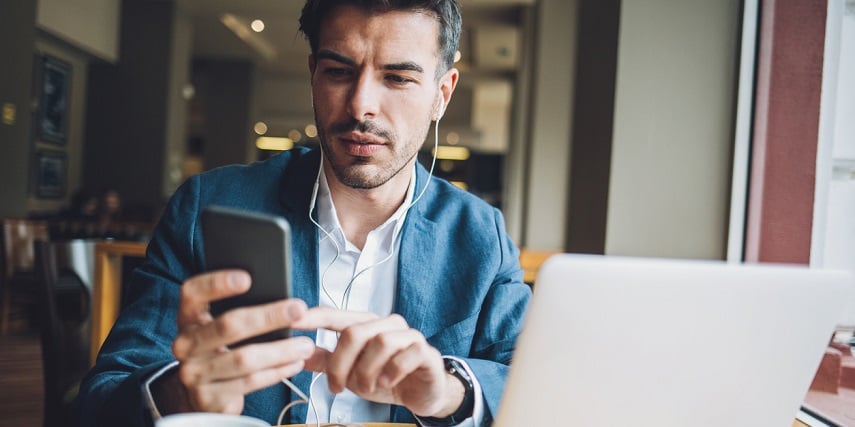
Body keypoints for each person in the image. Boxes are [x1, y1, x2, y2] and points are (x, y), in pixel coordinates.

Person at [76, 1, 531, 426]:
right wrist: (181, 397)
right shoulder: (209, 205)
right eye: (338, 71)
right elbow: (102, 399)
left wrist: (450, 394)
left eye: (397, 78)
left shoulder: (479, 233)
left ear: (441, 94)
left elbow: (529, 380)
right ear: (313, 73)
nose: (361, 106)